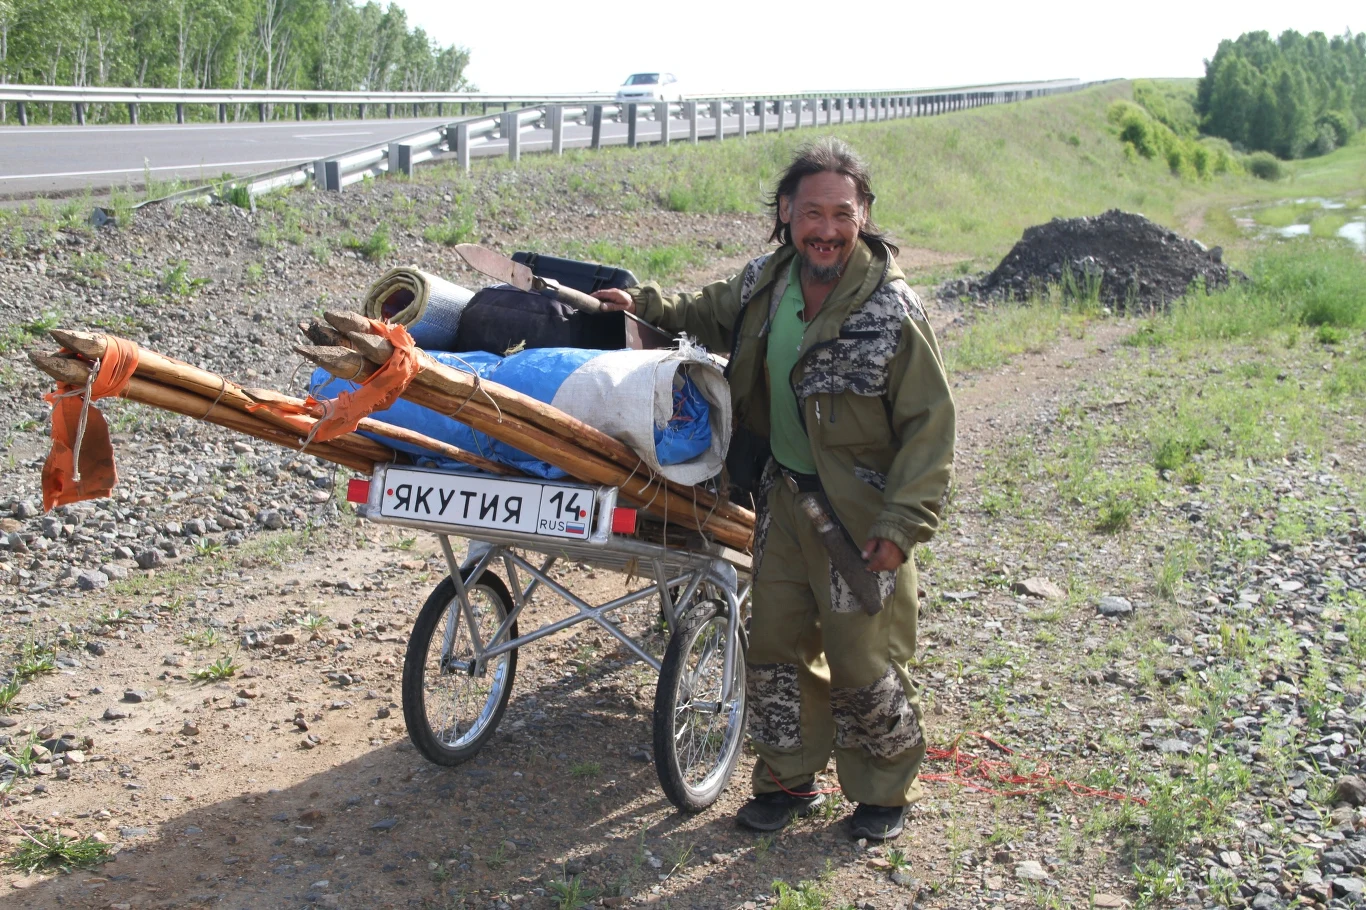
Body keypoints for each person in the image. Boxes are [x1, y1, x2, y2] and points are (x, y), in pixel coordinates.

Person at [593, 138, 955, 841]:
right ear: (787, 214)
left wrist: (902, 520)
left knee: (862, 657)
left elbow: (930, 426)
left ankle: (883, 794)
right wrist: (640, 303)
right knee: (775, 648)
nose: (825, 229)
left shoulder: (892, 309)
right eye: (811, 212)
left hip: (859, 516)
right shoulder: (767, 281)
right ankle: (787, 781)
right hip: (783, 503)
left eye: (841, 214)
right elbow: (703, 312)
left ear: (864, 217)